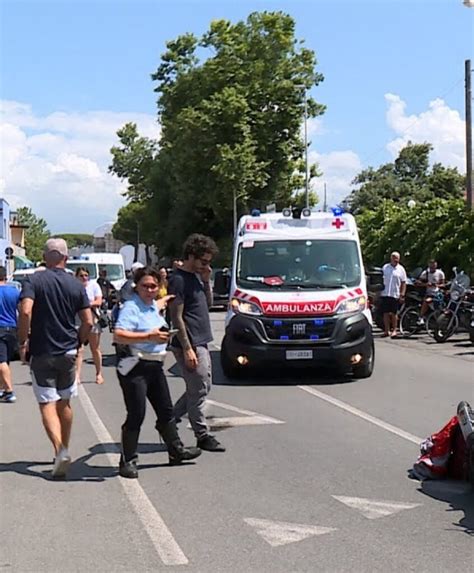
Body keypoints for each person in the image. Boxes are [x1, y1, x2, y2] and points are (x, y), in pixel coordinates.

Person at [113, 266, 201, 479]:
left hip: (155, 366)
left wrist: (166, 300)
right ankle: (128, 460)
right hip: (135, 367)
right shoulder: (131, 307)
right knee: (136, 414)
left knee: (166, 410)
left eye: (154, 286)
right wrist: (148, 337)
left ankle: (175, 450)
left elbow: (159, 304)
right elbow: (118, 335)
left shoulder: (152, 305)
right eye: (145, 286)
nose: (150, 290)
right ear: (137, 286)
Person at [18, 238, 93, 478]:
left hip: (42, 350)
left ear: (45, 256)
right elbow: (88, 321)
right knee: (65, 401)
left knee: (46, 403)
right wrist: (79, 341)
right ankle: (65, 449)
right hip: (68, 350)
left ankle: (59, 450)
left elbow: (26, 310)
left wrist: (23, 341)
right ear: (66, 258)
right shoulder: (76, 284)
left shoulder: (34, 280)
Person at [168, 234, 225, 453]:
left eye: (209, 262)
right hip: (189, 342)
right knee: (199, 386)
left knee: (201, 387)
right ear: (191, 256)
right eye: (203, 261)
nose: (206, 265)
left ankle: (169, 420)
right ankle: (201, 434)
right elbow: (176, 316)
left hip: (202, 340)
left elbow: (208, 304)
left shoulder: (196, 278)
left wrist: (206, 281)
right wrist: (187, 348)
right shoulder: (179, 279)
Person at [74, 267, 104, 385]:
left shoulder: (94, 286)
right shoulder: (75, 287)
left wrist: (86, 304)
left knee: (95, 348)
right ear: (77, 277)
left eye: (86, 275)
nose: (84, 278)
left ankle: (98, 373)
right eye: (81, 275)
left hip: (93, 319)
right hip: (78, 320)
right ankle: (77, 375)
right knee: (79, 349)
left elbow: (99, 301)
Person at [0, 266, 20, 403]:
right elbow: (21, 309)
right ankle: (1, 388)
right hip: (12, 328)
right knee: (5, 360)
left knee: (1, 361)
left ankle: (9, 391)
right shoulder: (14, 291)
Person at [380, 251, 407, 338]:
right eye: (394, 257)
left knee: (394, 313)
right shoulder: (385, 267)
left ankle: (395, 330)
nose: (396, 260)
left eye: (397, 258)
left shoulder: (401, 269)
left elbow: (403, 282)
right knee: (385, 313)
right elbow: (380, 279)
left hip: (395, 293)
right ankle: (386, 330)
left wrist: (402, 294)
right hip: (385, 293)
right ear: (391, 258)